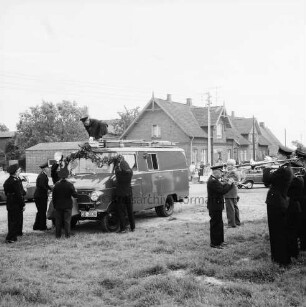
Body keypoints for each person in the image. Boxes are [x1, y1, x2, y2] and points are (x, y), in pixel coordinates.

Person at [263, 145, 294, 266]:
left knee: (277, 232)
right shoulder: (286, 168)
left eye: (279, 155)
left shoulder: (283, 170)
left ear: (285, 157)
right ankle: (280, 257)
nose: (276, 157)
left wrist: (267, 167)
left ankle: (280, 259)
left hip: (276, 203)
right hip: (279, 202)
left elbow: (266, 181)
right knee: (279, 231)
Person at [207, 165, 234, 249]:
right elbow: (222, 191)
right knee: (215, 224)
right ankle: (215, 243)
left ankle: (220, 241)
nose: (221, 174)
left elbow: (221, 187)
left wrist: (228, 183)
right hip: (214, 206)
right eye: (220, 172)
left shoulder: (215, 180)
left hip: (216, 205)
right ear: (216, 172)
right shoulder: (213, 181)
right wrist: (229, 184)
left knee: (219, 224)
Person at [52, 167, 78, 238]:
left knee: (58, 222)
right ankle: (67, 235)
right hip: (67, 206)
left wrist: (55, 206)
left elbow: (53, 197)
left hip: (58, 206)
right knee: (67, 221)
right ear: (67, 176)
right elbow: (75, 195)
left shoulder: (56, 185)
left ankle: (58, 236)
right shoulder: (70, 185)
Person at [3, 164, 26, 243]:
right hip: (15, 203)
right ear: (15, 172)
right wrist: (22, 204)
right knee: (14, 220)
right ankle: (11, 237)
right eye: (18, 171)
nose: (18, 172)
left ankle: (13, 235)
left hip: (10, 202)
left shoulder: (7, 181)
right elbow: (18, 194)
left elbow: (6, 193)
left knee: (11, 220)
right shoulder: (15, 181)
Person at [115, 157, 134, 233]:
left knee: (121, 212)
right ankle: (133, 227)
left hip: (120, 195)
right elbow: (129, 169)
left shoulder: (119, 174)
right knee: (130, 211)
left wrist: (117, 163)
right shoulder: (130, 173)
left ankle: (123, 228)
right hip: (129, 194)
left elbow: (116, 169)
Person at [33, 162, 52, 231]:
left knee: (40, 211)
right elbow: (42, 186)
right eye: (48, 168)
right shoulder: (42, 176)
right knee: (42, 211)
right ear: (44, 169)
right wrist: (48, 190)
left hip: (40, 196)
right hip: (40, 196)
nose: (49, 169)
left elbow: (46, 185)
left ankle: (36, 226)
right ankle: (42, 227)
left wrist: (51, 188)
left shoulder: (43, 175)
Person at [223, 159, 241, 228]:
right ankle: (237, 222)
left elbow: (229, 182)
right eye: (227, 165)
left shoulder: (232, 173)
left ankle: (231, 224)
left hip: (230, 192)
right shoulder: (231, 172)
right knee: (235, 208)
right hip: (233, 192)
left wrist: (222, 182)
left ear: (233, 165)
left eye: (229, 165)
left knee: (230, 208)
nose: (228, 166)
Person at [295, 147, 306, 251]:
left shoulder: (299, 166)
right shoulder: (301, 165)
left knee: (302, 221)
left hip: (302, 198)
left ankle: (303, 245)